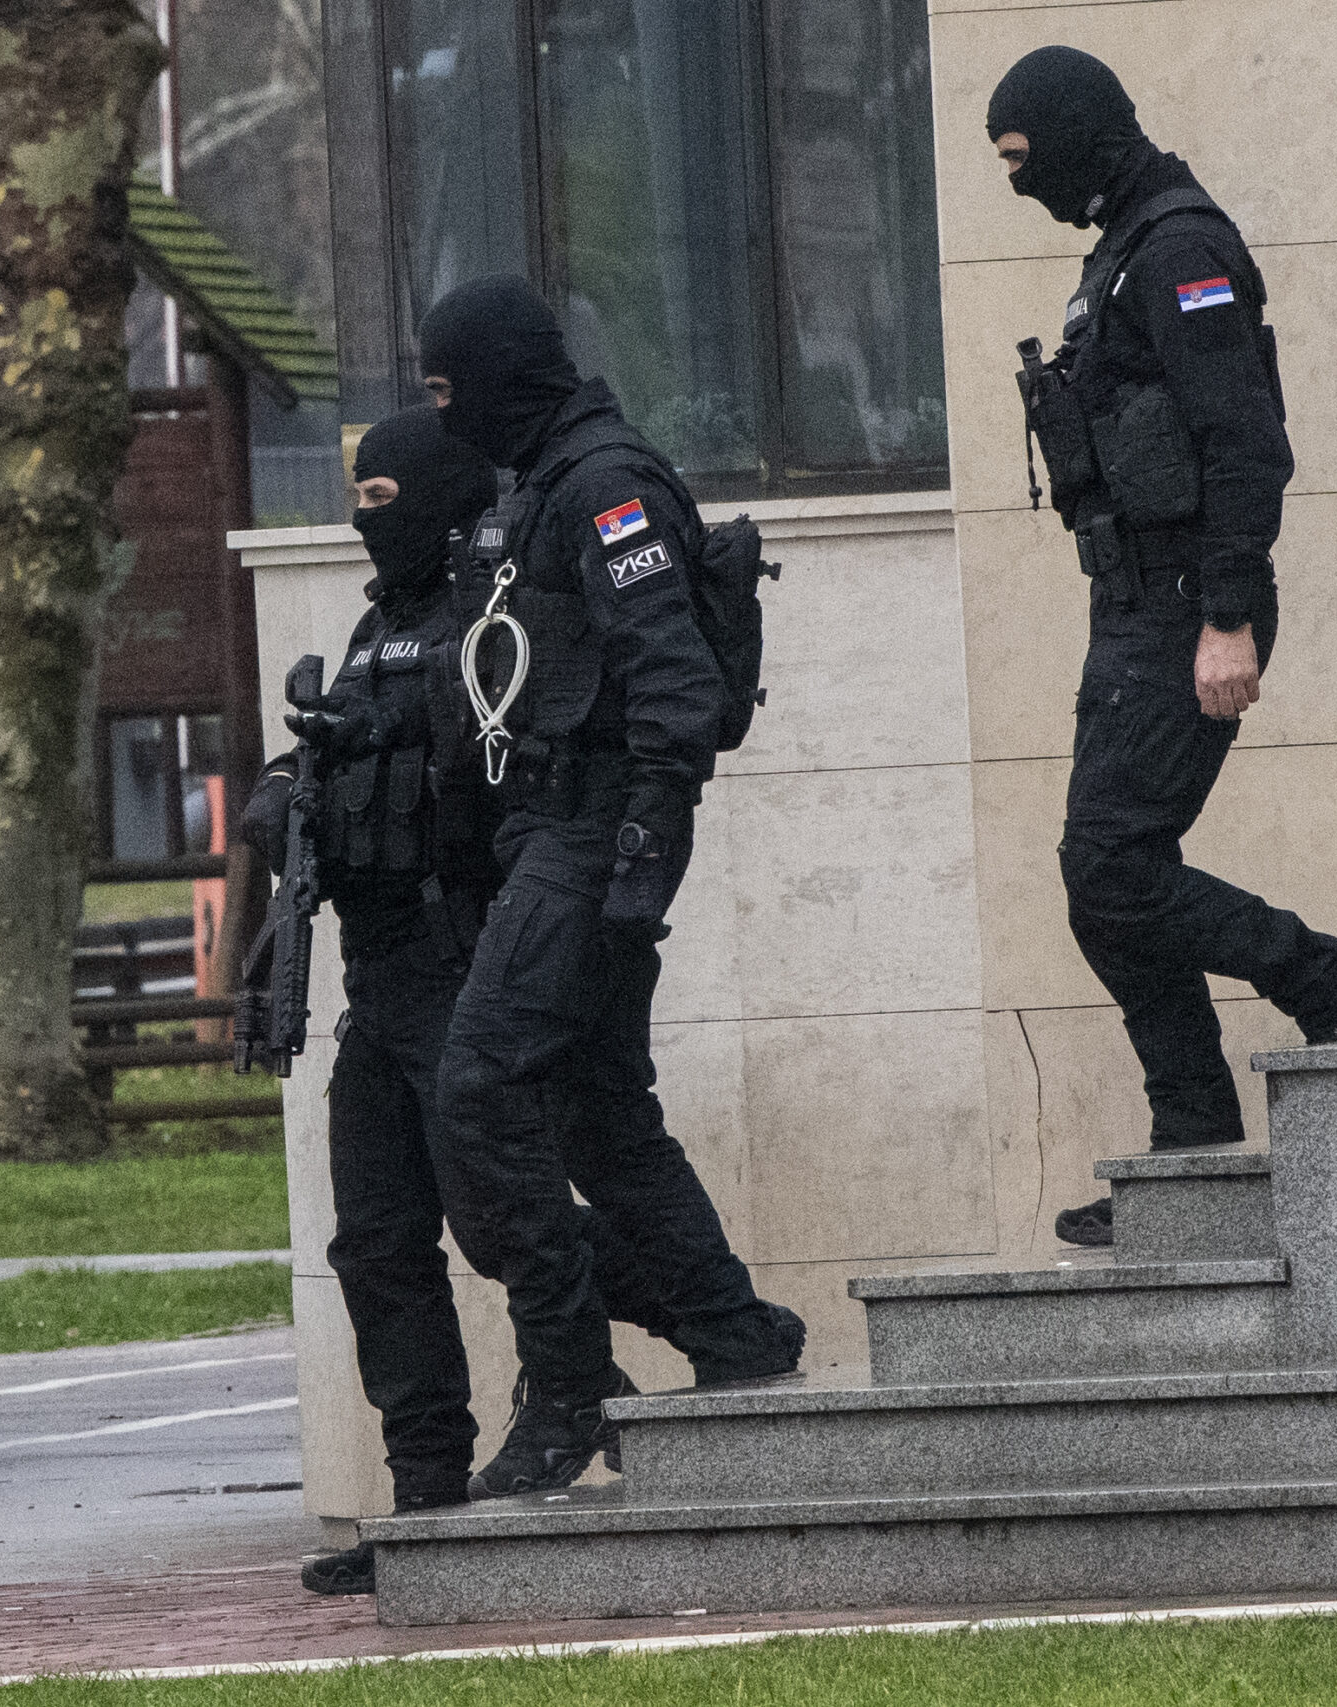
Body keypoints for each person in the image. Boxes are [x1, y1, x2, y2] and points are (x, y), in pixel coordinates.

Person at [244, 406, 801, 1592]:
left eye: (384, 500)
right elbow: (342, 752)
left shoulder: (491, 616)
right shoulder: (376, 624)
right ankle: (424, 1495)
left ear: (443, 498)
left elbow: (506, 768)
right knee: (376, 1246)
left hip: (464, 959)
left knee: (504, 1220)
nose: (362, 520)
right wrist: (291, 777)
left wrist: (400, 743)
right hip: (377, 982)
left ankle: (711, 1326)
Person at [987, 48, 1337, 1247]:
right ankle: (1188, 1151)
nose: (1017, 185)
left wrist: (1227, 614)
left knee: (1113, 867)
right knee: (1102, 885)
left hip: (1187, 603)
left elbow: (1244, 440)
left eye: (1022, 159)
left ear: (1077, 130)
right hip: (1132, 606)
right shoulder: (1121, 245)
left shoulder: (1177, 246)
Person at [411, 276, 802, 1502]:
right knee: (596, 1111)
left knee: (479, 1090)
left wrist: (642, 842)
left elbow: (673, 685)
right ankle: (733, 1337)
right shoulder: (535, 486)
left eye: (447, 392)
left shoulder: (604, 484)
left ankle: (569, 1385)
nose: (441, 417)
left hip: (597, 834)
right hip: (547, 831)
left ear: (503, 377)